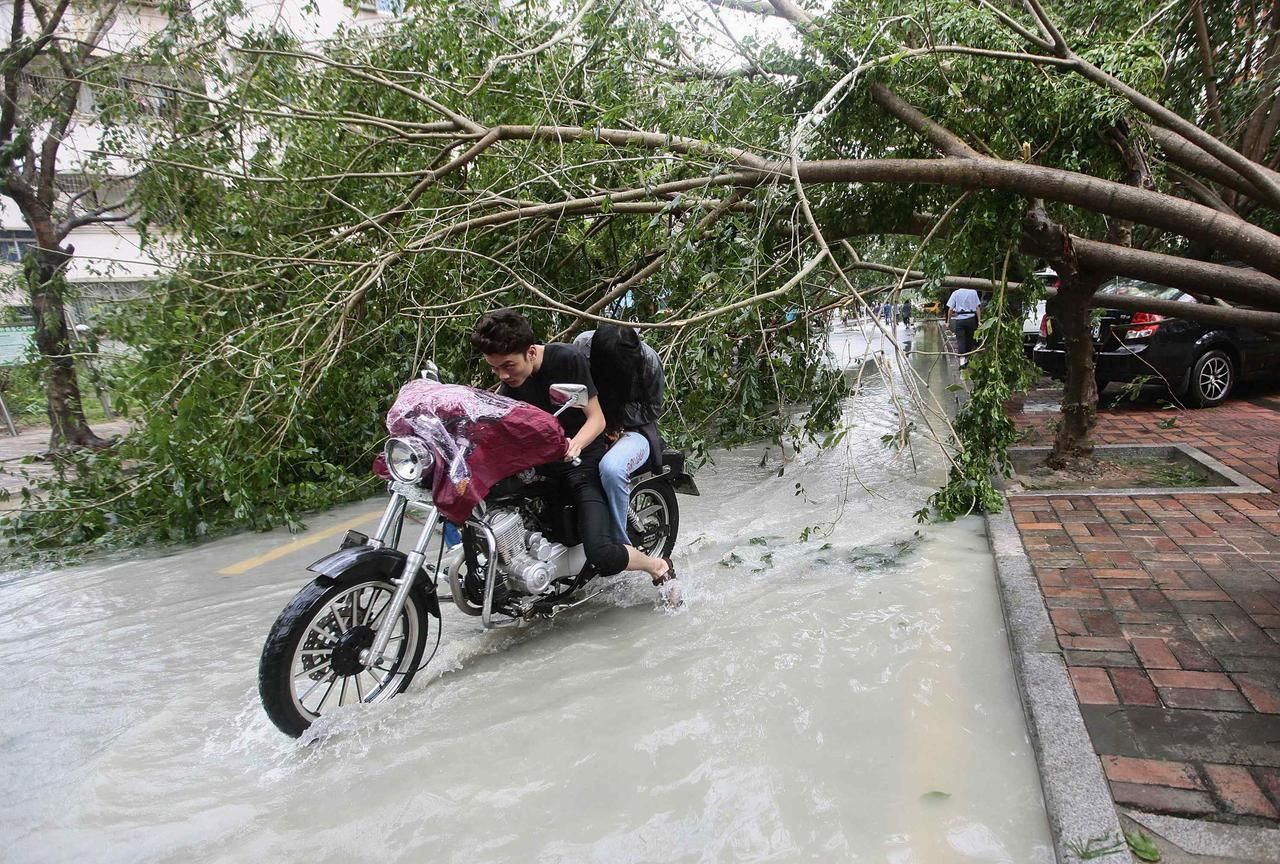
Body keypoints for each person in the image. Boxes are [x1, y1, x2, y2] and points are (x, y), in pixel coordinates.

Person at [471, 309, 678, 601]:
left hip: (581, 461)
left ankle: (654, 564)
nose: (503, 375)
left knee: (604, 555)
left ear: (530, 352)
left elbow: (599, 418)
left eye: (508, 365)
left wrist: (578, 443)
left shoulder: (569, 359)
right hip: (544, 464)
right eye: (495, 369)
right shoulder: (512, 383)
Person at [573, 325, 664, 546]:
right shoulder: (583, 346)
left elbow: (652, 409)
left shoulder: (649, 361)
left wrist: (612, 419)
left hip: (632, 429)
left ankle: (620, 550)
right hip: (587, 422)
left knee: (612, 469)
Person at [945, 286, 981, 367]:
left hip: (960, 320)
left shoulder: (956, 293)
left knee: (961, 339)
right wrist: (979, 321)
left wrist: (948, 322)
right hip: (971, 319)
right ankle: (967, 358)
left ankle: (962, 360)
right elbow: (977, 307)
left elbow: (950, 309)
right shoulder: (973, 292)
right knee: (969, 339)